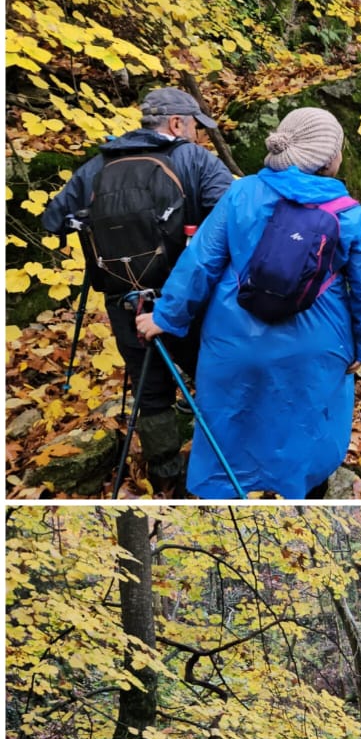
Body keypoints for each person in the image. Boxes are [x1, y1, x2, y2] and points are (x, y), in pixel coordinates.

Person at [134, 107, 361, 498]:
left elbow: (201, 260)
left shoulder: (241, 192)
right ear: (329, 156)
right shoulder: (351, 217)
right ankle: (296, 502)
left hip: (234, 339)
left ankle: (225, 507)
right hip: (317, 345)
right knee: (304, 431)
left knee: (230, 425)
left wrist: (166, 316)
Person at [41, 85, 233, 494]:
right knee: (215, 375)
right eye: (196, 126)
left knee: (151, 390)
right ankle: (220, 461)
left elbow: (53, 220)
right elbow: (234, 217)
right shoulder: (194, 159)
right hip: (187, 299)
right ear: (178, 123)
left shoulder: (97, 166)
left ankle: (164, 474)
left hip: (124, 300)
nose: (198, 134)